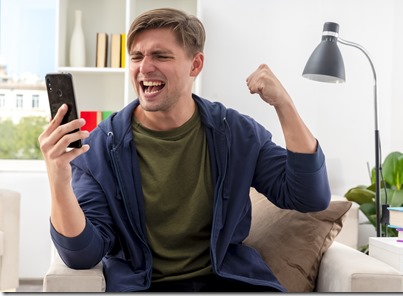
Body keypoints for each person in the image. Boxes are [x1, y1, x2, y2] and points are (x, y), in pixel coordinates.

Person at [39, 8, 331, 292]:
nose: (144, 67)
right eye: (137, 57)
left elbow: (309, 196)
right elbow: (82, 254)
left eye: (160, 56)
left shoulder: (236, 133)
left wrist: (285, 105)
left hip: (228, 282)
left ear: (195, 64)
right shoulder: (99, 147)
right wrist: (58, 178)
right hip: (144, 286)